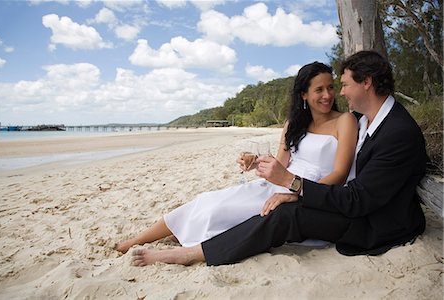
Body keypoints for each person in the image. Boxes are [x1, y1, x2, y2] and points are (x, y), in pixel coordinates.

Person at [130, 50, 427, 267]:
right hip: (343, 202)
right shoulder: (370, 121)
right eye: (325, 88)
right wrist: (275, 173)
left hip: (376, 225)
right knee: (221, 201)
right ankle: (179, 241)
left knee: (280, 214)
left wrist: (294, 188)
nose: (340, 93)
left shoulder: (396, 132)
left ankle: (192, 253)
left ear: (368, 83)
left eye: (344, 84)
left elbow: (357, 199)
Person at [115, 62, 358, 254]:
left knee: (219, 212)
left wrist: (295, 193)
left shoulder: (344, 121)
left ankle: (182, 237)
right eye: (319, 89)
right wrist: (256, 162)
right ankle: (136, 240)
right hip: (277, 186)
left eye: (330, 87)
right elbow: (280, 165)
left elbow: (340, 173)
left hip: (311, 195)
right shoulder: (294, 124)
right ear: (304, 94)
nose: (327, 95)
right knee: (206, 200)